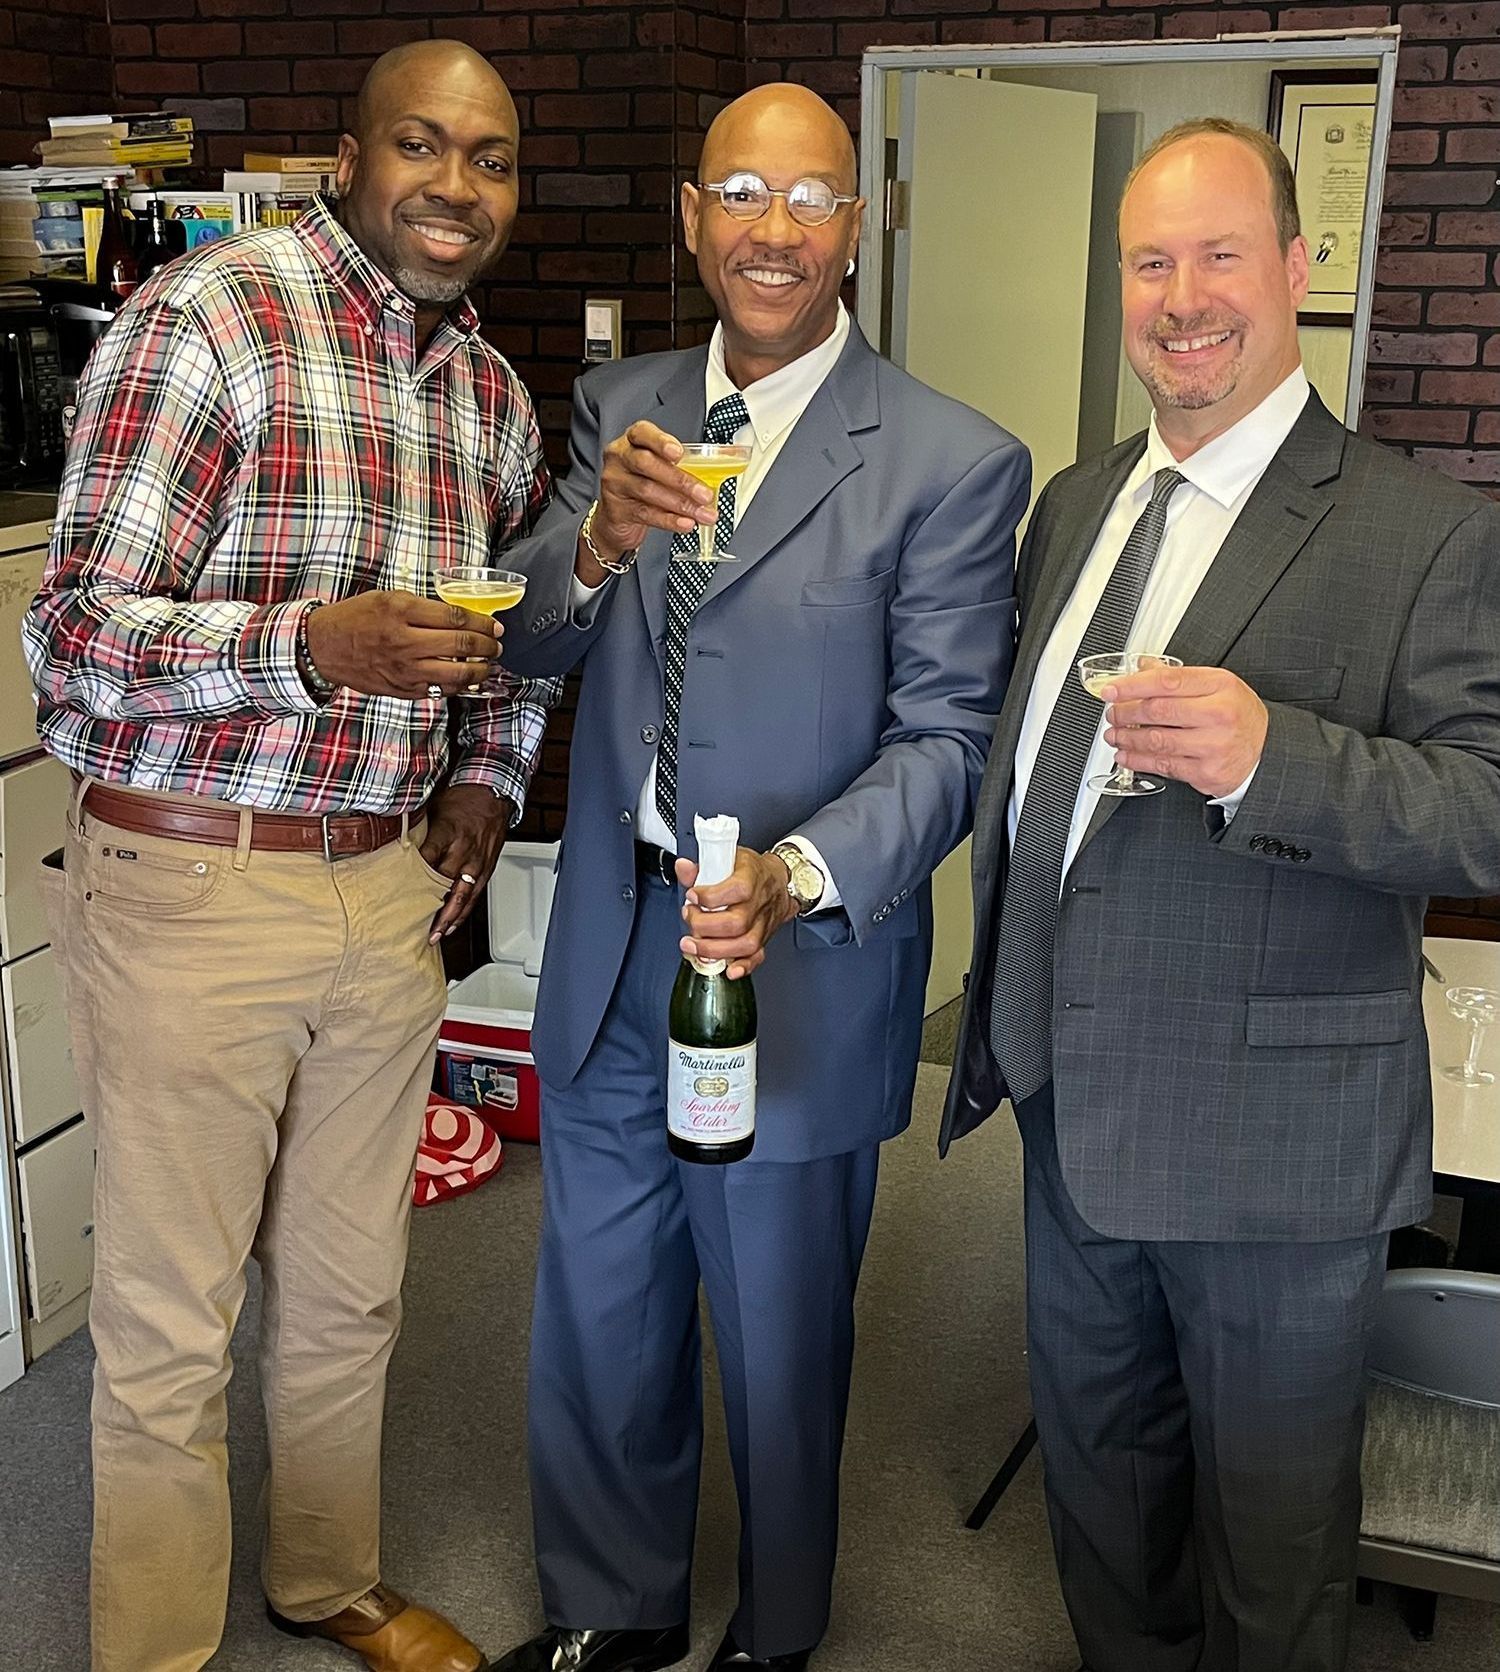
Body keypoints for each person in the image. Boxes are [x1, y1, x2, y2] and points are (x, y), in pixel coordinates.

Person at [23, 41, 558, 1672]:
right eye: (422, 145)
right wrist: (307, 649)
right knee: (173, 1331)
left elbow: (514, 627)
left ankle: (326, 1578)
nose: (456, 187)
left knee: (350, 1292)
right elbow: (71, 638)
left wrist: (489, 776)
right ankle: (158, 1652)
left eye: (491, 159)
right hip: (194, 886)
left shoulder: (493, 397)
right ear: (349, 157)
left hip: (385, 892)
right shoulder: (208, 322)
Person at [940, 116, 1500, 1672]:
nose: (1182, 297)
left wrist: (1278, 761)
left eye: (1219, 255)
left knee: (1271, 1547)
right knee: (1105, 1502)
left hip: (1276, 1152)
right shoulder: (1078, 499)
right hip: (1069, 1107)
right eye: (1149, 261)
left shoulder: (1430, 533)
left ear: (1299, 272)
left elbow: (1491, 812)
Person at [487, 82, 1029, 1672]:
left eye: (808, 198)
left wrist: (795, 878)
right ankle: (611, 1609)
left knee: (781, 1331)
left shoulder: (948, 458)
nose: (773, 229)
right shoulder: (621, 402)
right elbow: (523, 636)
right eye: (739, 191)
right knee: (601, 1303)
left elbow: (949, 740)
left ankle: (777, 1631)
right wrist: (586, 552)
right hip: (615, 940)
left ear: (855, 227)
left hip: (789, 958)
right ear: (692, 219)